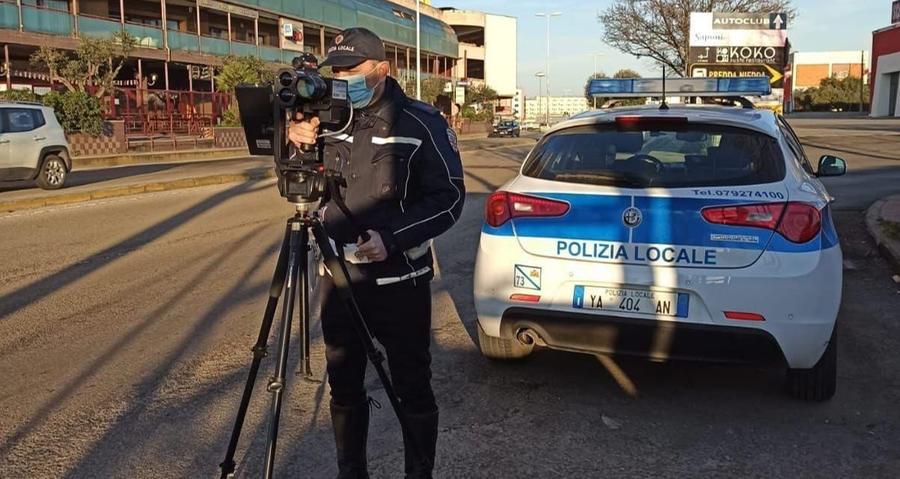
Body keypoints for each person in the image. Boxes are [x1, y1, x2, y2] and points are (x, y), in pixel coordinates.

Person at [288, 27, 465, 479]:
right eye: (337, 71)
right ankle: (352, 472)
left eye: (352, 69)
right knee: (344, 386)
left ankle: (418, 473)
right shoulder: (325, 121)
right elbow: (296, 191)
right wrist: (296, 148)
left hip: (399, 282)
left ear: (383, 70)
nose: (342, 78)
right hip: (339, 279)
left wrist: (392, 236)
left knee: (412, 386)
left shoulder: (422, 122)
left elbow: (448, 199)